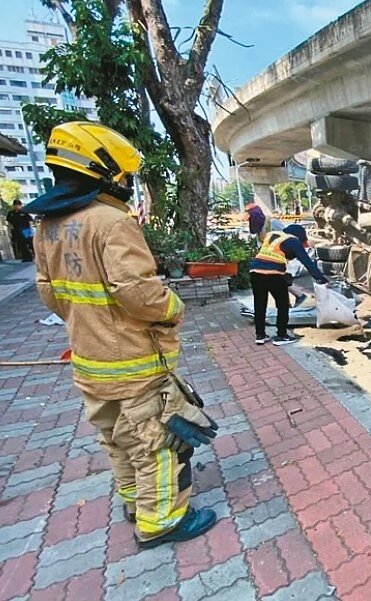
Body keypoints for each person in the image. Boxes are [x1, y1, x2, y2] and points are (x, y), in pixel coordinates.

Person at [29, 122, 218, 549]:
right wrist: (174, 309)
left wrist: (88, 325)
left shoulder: (49, 228)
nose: (127, 184)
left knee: (116, 438)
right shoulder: (111, 222)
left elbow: (49, 293)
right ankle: (163, 521)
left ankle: (134, 501)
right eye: (124, 176)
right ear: (103, 170)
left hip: (90, 364)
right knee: (157, 444)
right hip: (134, 365)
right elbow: (138, 293)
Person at [251, 223, 327, 345]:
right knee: (282, 304)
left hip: (255, 272)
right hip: (273, 274)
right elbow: (307, 262)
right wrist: (321, 279)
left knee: (259, 304)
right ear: (299, 236)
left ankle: (260, 335)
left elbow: (272, 255)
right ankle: (281, 335)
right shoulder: (293, 241)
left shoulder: (271, 235)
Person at [246, 203, 308, 307]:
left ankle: (298, 295)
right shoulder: (259, 227)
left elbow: (287, 235)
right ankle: (289, 302)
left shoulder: (272, 222)